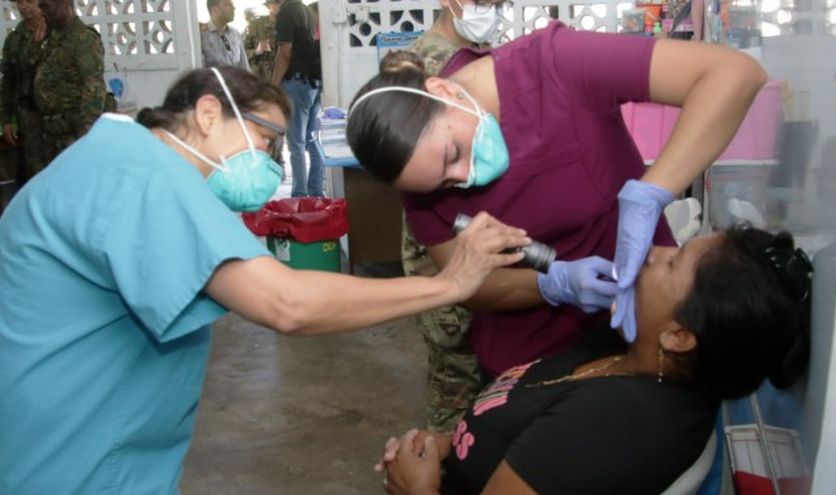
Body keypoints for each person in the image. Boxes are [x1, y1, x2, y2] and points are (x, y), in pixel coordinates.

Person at [0, 66, 531, 493]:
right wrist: (450, 284)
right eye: (266, 139)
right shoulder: (150, 175)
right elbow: (285, 302)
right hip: (77, 456)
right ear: (208, 113)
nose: (272, 164)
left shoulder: (118, 158)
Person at [346, 21, 768, 379]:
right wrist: (551, 284)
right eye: (443, 185)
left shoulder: (555, 64)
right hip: (527, 361)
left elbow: (733, 74)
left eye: (453, 154)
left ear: (443, 89)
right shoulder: (415, 167)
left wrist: (651, 191)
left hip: (646, 321)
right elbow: (470, 283)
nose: (463, 178)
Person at [377, 226, 814, 495]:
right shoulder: (629, 349)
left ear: (679, 336)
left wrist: (419, 487)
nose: (651, 252)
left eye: (671, 262)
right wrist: (453, 444)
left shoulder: (613, 424)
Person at [401, 0, 508, 434]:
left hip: (476, 241)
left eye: (499, 3)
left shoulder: (481, 56)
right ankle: (443, 460)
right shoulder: (422, 66)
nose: (491, 10)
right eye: (483, 2)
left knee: (486, 383)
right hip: (444, 246)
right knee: (455, 382)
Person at [33, 0, 105, 168]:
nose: (41, 12)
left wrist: (87, 133)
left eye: (46, 6)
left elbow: (93, 86)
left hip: (72, 133)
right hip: (50, 132)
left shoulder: (83, 38)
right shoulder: (51, 37)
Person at [272, 0, 324, 197]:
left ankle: (299, 195)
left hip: (296, 82)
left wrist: (274, 84)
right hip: (313, 81)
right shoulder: (306, 10)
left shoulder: (287, 11)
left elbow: (285, 52)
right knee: (311, 138)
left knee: (296, 143)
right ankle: (316, 190)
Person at [0, 0, 46, 182]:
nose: (24, 6)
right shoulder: (14, 40)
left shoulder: (57, 32)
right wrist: (6, 119)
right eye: (19, 2)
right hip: (29, 119)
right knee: (35, 173)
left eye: (29, 1)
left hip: (60, 118)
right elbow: (8, 82)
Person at [202, 0, 250, 70]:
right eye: (227, 5)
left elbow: (244, 67)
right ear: (215, 10)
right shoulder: (202, 36)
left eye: (232, 4)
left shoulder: (235, 34)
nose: (233, 8)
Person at [244, 0, 281, 82]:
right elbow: (242, 53)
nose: (281, 5)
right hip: (262, 79)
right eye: (277, 2)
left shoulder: (290, 25)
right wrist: (256, 51)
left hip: (283, 78)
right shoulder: (256, 25)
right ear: (268, 6)